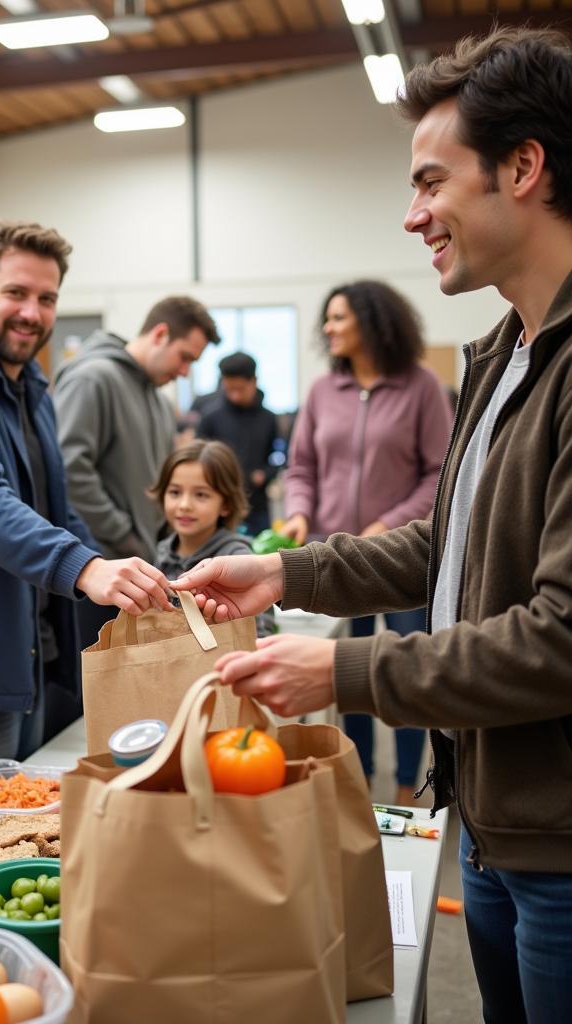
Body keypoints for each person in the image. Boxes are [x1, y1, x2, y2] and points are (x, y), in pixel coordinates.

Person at [172, 27, 572, 1023]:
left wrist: (345, 672)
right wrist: (287, 578)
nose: (412, 216)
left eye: (431, 182)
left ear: (523, 168)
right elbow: (448, 546)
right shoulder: (500, 357)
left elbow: (559, 641)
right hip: (485, 814)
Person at [0, 220, 173, 830]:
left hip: (37, 649)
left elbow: (58, 511)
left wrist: (129, 584)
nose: (31, 313)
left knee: (31, 826)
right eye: (16, 293)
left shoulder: (31, 386)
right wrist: (87, 568)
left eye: (46, 299)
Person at [282, 281, 452, 805]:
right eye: (326, 320)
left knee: (399, 675)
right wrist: (298, 511)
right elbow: (302, 466)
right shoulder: (321, 391)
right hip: (333, 562)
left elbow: (439, 472)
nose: (328, 329)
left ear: (373, 322)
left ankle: (405, 788)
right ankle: (354, 787)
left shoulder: (421, 386)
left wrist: (388, 524)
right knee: (342, 681)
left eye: (338, 318)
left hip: (400, 559)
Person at [53, 296, 217, 647]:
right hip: (93, 569)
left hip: (138, 567)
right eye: (185, 357)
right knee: (93, 691)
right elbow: (70, 470)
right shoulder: (93, 379)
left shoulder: (159, 401)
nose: (186, 371)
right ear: (159, 334)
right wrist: (122, 533)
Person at [150, 440, 274, 636]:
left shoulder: (237, 556)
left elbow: (260, 630)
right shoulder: (163, 550)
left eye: (200, 495)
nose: (184, 505)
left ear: (225, 504)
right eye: (175, 492)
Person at [197, 352, 280, 537]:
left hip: (256, 506)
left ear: (254, 381)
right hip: (219, 506)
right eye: (229, 389)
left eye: (240, 389)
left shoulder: (268, 418)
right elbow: (197, 459)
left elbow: (279, 457)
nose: (234, 396)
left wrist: (265, 474)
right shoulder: (210, 417)